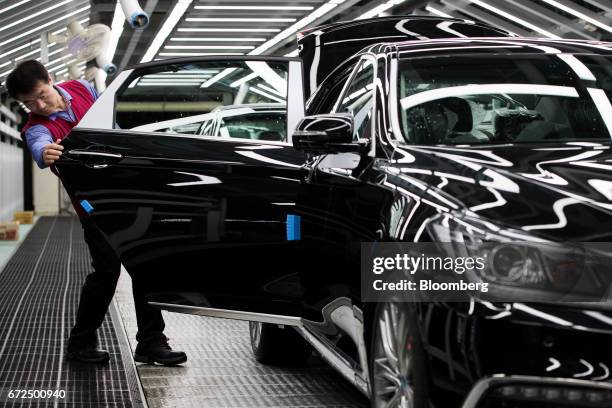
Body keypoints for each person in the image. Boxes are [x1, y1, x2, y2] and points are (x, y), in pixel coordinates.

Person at [5, 60, 187, 365]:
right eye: (28, 103)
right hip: (94, 206)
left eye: (40, 95)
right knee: (106, 272)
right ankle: (80, 343)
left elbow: (110, 126)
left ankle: (151, 342)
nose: (38, 105)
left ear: (50, 79)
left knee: (144, 266)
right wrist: (45, 153)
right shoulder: (37, 128)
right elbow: (39, 148)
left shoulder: (83, 88)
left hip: (128, 195)